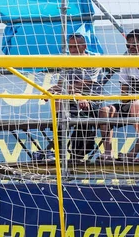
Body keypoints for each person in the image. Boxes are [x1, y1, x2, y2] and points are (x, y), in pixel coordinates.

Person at [43, 33, 111, 161]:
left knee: (80, 115)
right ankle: (57, 151)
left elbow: (84, 84)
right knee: (58, 101)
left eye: (75, 47)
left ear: (84, 46)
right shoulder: (67, 62)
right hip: (73, 100)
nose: (72, 50)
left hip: (92, 101)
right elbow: (61, 84)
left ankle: (75, 154)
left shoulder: (94, 60)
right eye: (70, 47)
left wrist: (72, 93)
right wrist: (51, 92)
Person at [104, 29, 139, 161]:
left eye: (134, 44)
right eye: (128, 45)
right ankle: (108, 152)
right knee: (105, 111)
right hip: (132, 102)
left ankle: (136, 152)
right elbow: (123, 95)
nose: (130, 47)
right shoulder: (126, 62)